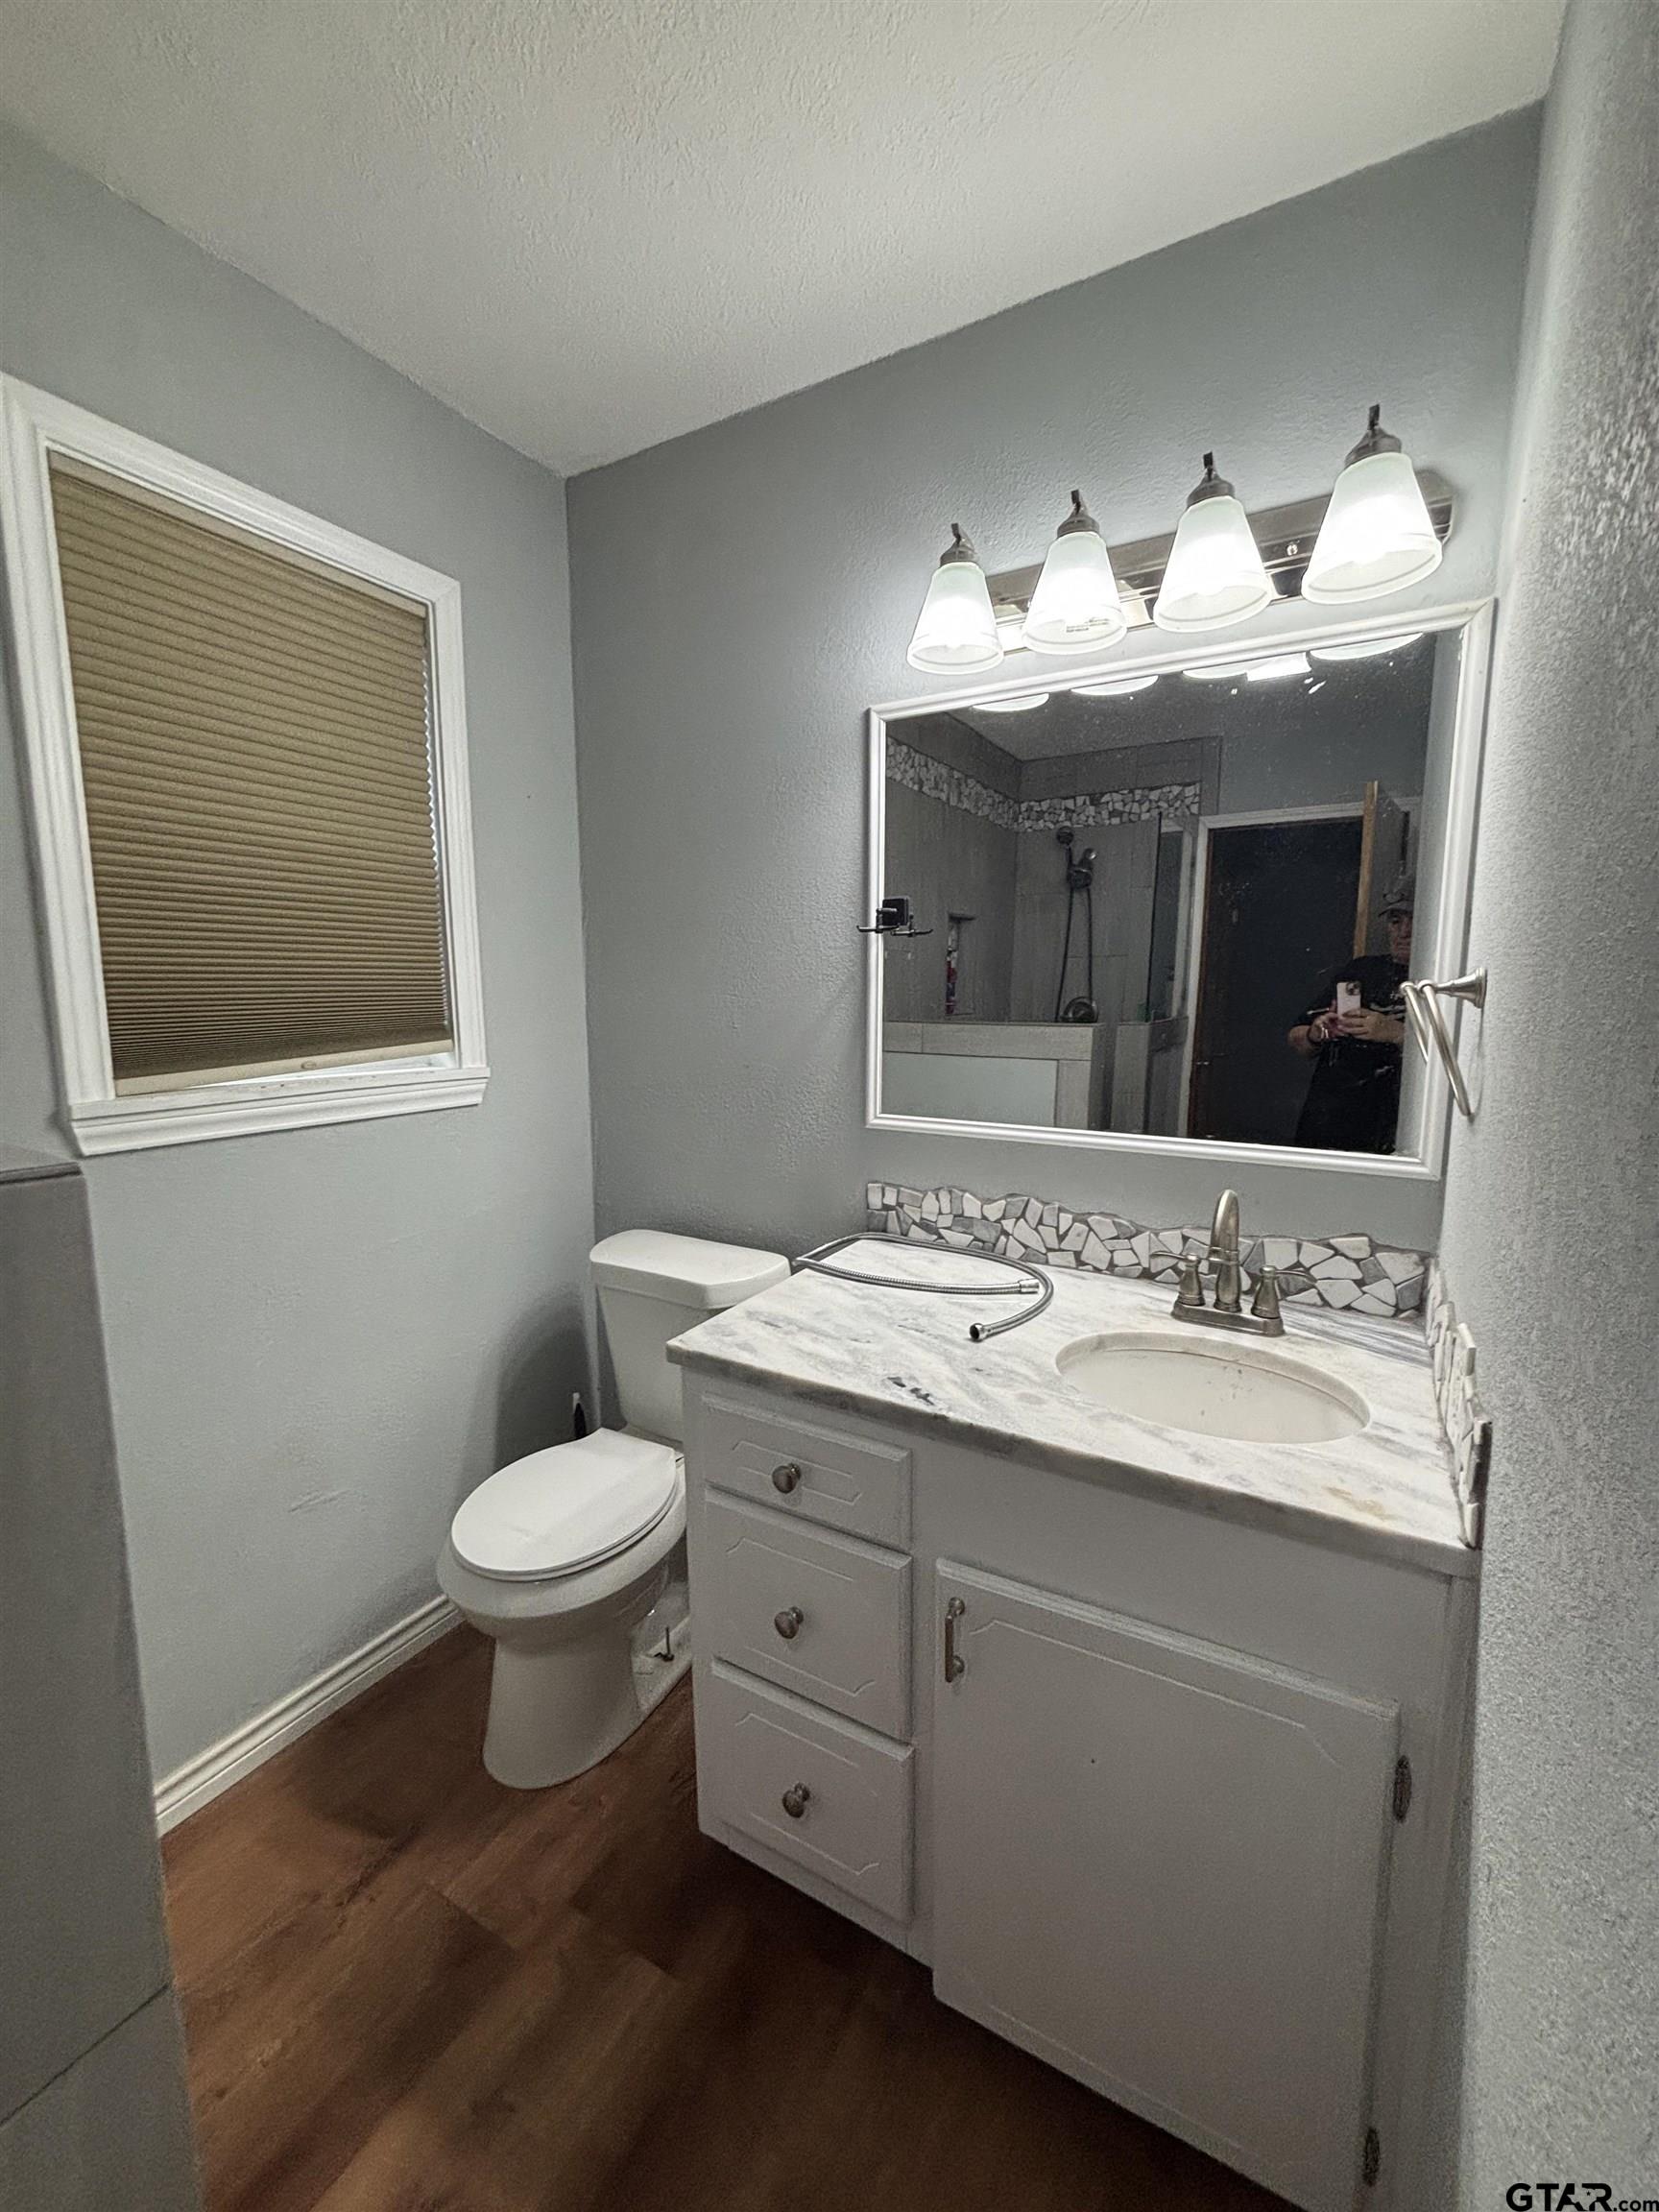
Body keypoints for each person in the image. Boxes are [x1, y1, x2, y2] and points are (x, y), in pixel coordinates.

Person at [1287, 877, 1413, 1152]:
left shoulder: (1436, 983)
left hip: (1394, 1126)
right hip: (1328, 1119)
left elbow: (1451, 1056)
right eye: (1395, 921)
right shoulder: (1361, 971)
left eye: (1413, 920)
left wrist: (1398, 1034)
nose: (1404, 932)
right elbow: (1297, 1038)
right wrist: (1316, 1032)